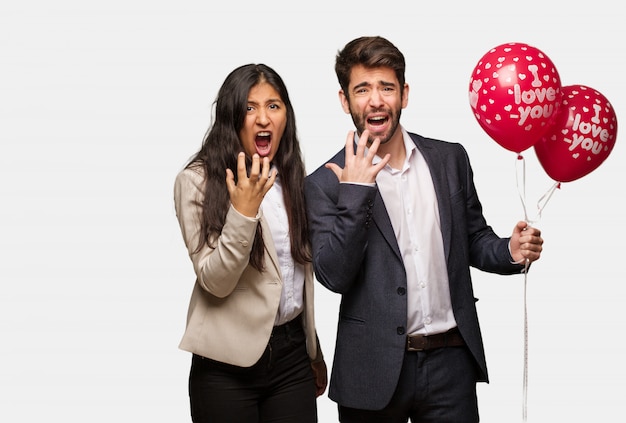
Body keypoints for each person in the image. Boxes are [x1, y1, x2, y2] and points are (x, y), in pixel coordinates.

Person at [304, 36, 544, 423]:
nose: (376, 100)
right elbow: (333, 276)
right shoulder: (324, 184)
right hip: (372, 368)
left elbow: (474, 240)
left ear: (405, 94)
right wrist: (356, 192)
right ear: (344, 101)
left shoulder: (449, 159)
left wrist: (510, 251)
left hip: (451, 361)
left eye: (386, 87)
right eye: (362, 89)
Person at [174, 63, 327, 423]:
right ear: (231, 117)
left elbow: (293, 278)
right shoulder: (196, 181)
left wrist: (312, 349)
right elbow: (216, 281)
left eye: (273, 106)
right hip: (226, 366)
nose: (263, 118)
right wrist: (242, 214)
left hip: (292, 359)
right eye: (249, 107)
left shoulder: (291, 177)